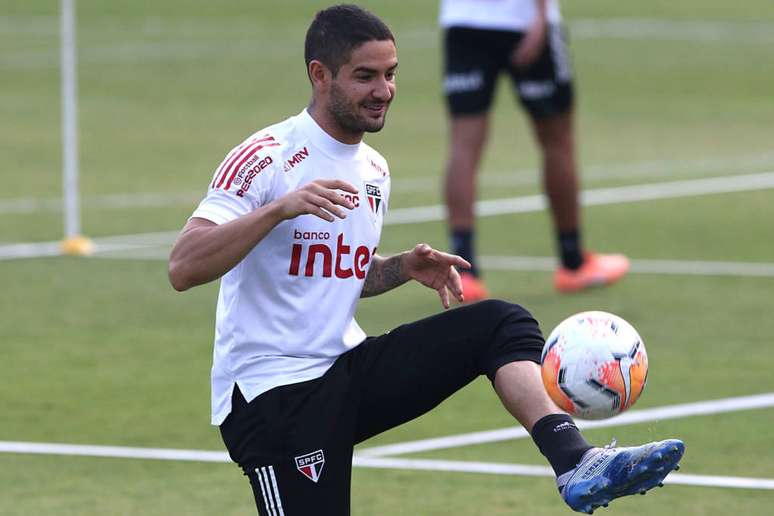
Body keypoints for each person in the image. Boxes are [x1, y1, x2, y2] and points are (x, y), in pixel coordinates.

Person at [168, 5, 683, 515]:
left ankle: (577, 462)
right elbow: (183, 267)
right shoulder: (267, 157)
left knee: (499, 324)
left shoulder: (373, 169)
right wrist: (279, 209)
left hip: (343, 369)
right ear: (319, 76)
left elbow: (333, 275)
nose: (383, 91)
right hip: (273, 396)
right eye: (365, 76)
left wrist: (400, 268)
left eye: (390, 74)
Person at [440, 0, 630, 298]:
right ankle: (573, 263)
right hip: (523, 20)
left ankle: (464, 271)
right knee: (557, 140)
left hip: (463, 21)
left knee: (463, 145)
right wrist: (541, 14)